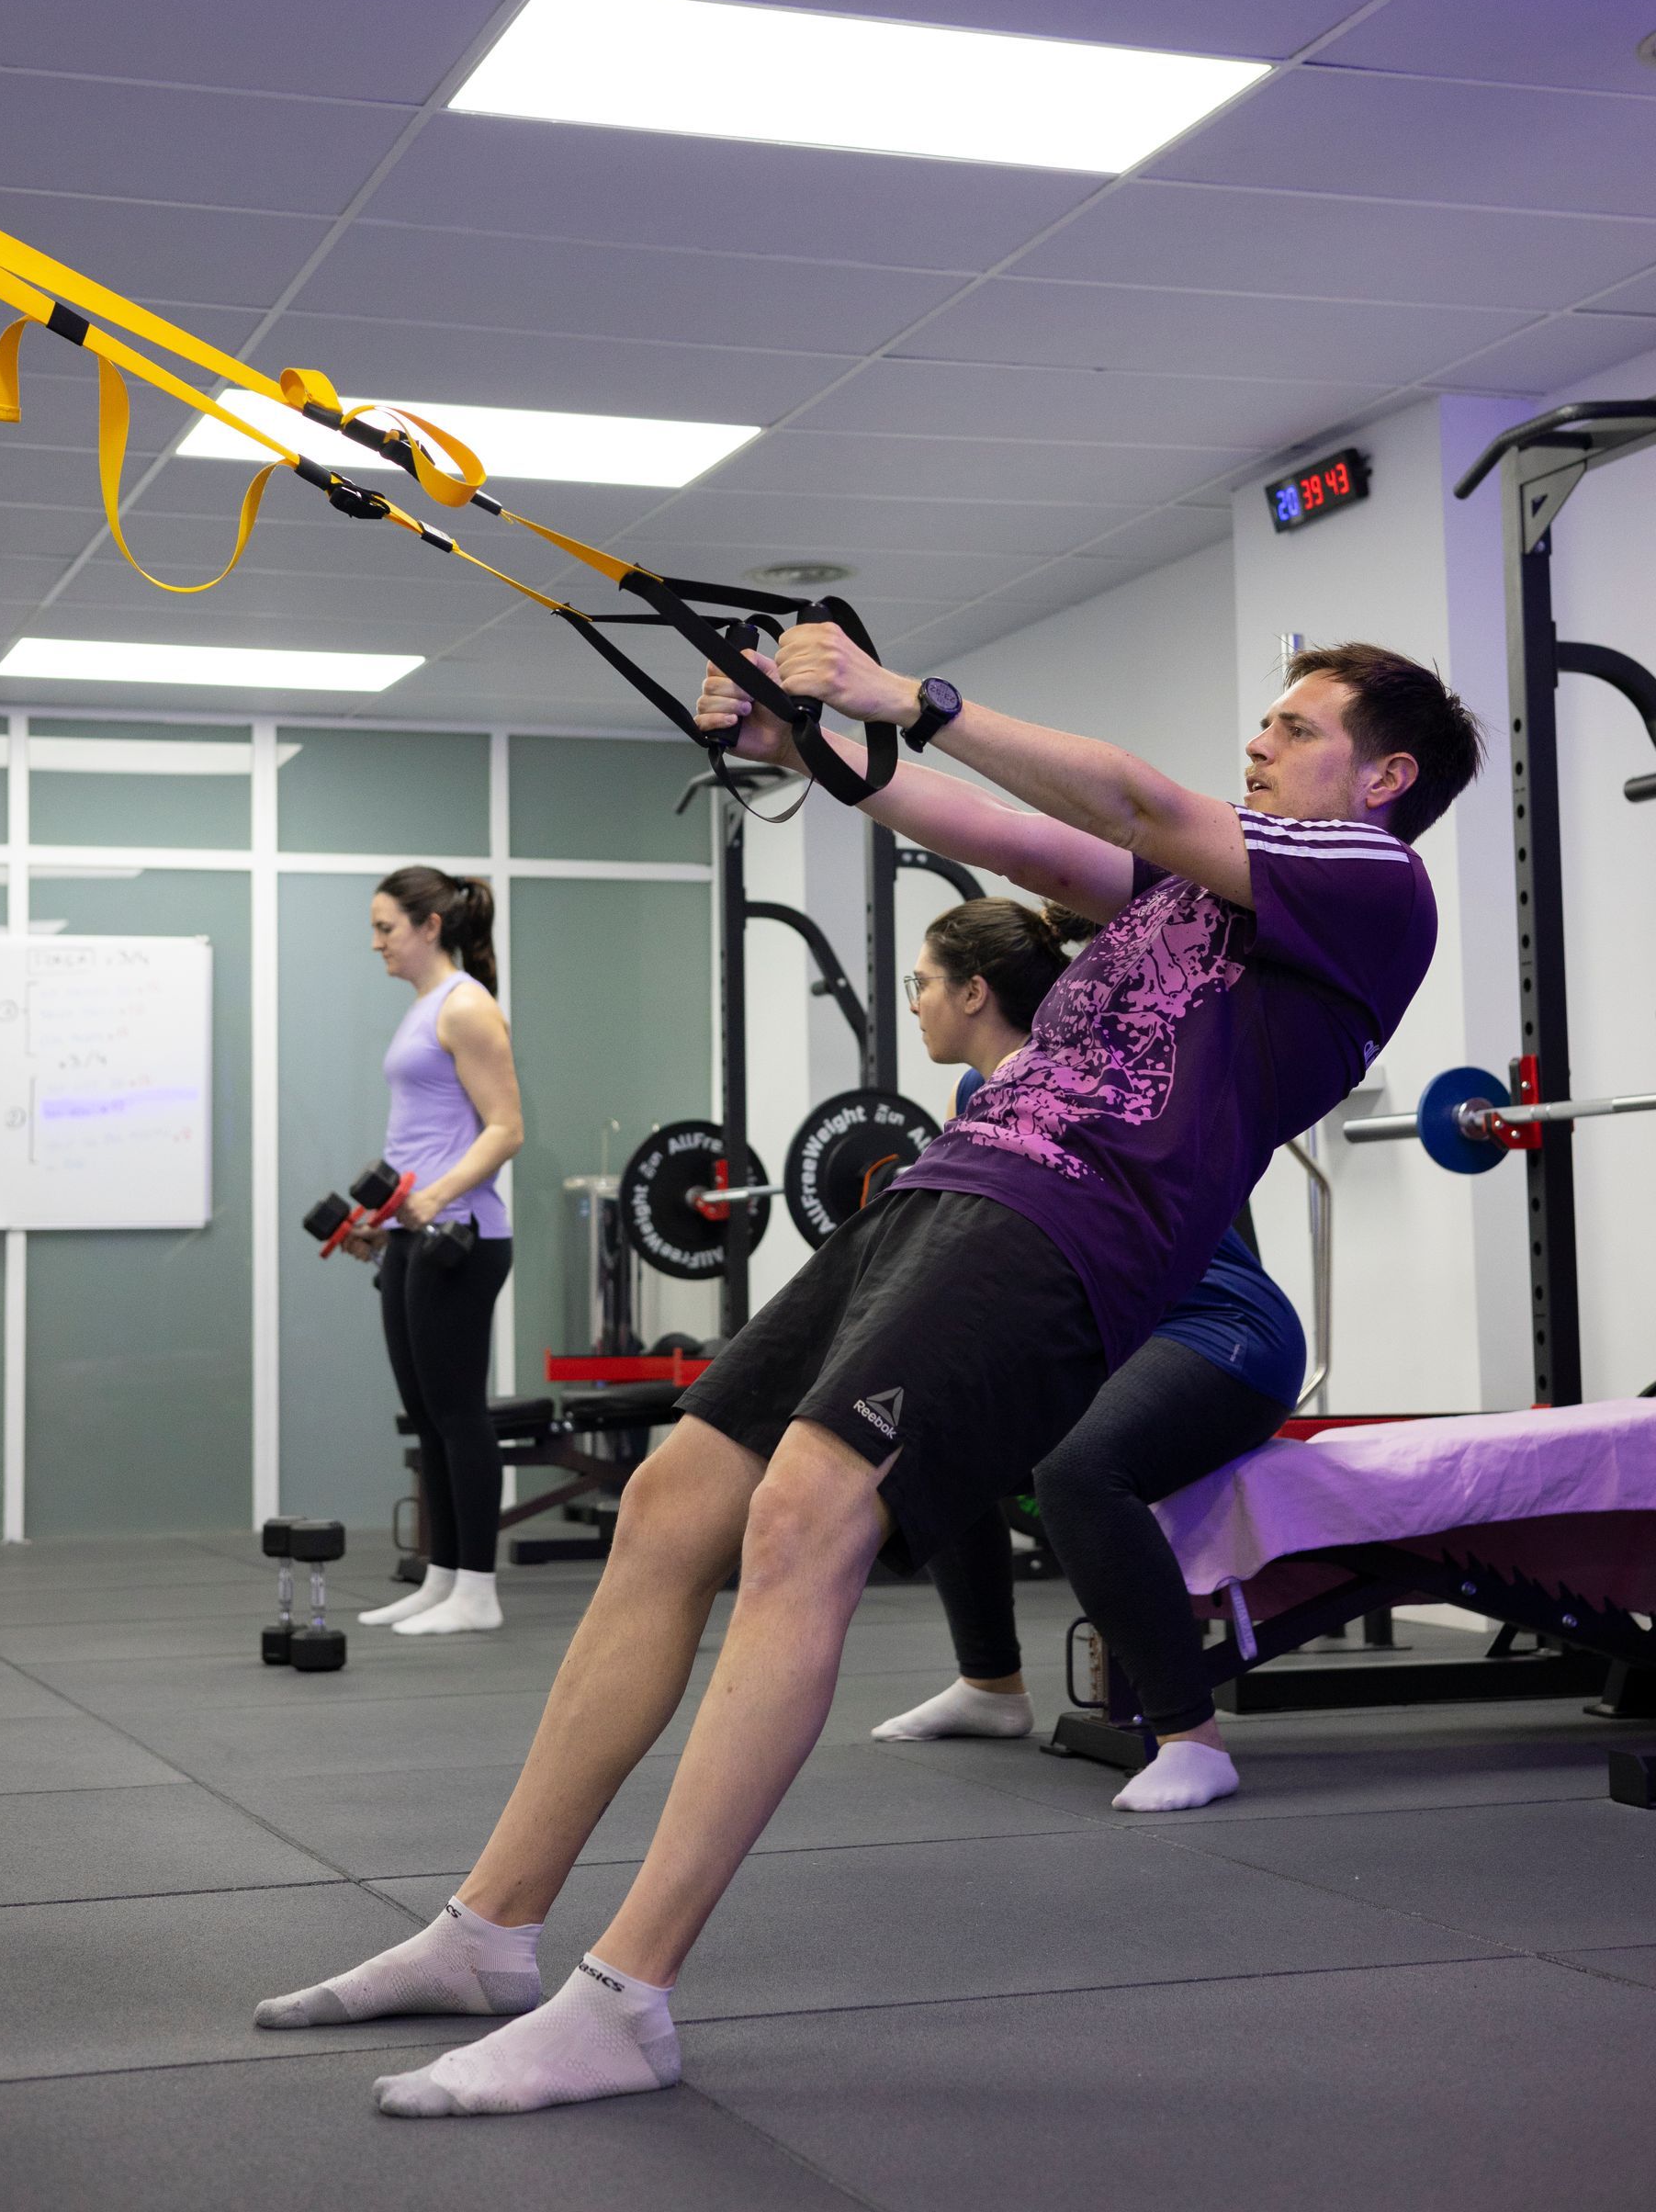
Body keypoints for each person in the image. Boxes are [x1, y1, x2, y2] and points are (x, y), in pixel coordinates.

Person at [255, 635, 1481, 2118]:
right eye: (1263, 723)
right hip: (948, 1187)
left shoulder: (1372, 884)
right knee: (670, 1503)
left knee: (805, 1521)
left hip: (1071, 1228)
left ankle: (625, 1999)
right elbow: (1023, 840)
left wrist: (910, 698)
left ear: (1386, 774)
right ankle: (487, 1933)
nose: (1260, 742)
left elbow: (1134, 799)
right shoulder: (1197, 892)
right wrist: (815, 753)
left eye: (1295, 727)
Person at [871, 896, 1305, 1805]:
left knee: (1076, 1469)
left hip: (1223, 1334)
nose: (914, 1002)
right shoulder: (974, 1096)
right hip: (1118, 1336)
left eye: (923, 983)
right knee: (933, 1434)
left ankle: (1193, 1740)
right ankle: (992, 1685)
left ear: (974, 993)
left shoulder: (1091, 1073)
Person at [349, 866, 524, 1639]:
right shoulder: (425, 1008)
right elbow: (424, 1137)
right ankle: (444, 1577)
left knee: (458, 1414)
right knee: (426, 1415)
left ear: (430, 926)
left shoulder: (467, 1006)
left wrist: (436, 1196)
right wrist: (384, 1218)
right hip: (413, 1232)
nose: (377, 943)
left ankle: (479, 1590)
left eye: (386, 927)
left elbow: (507, 1128)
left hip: (463, 1234)